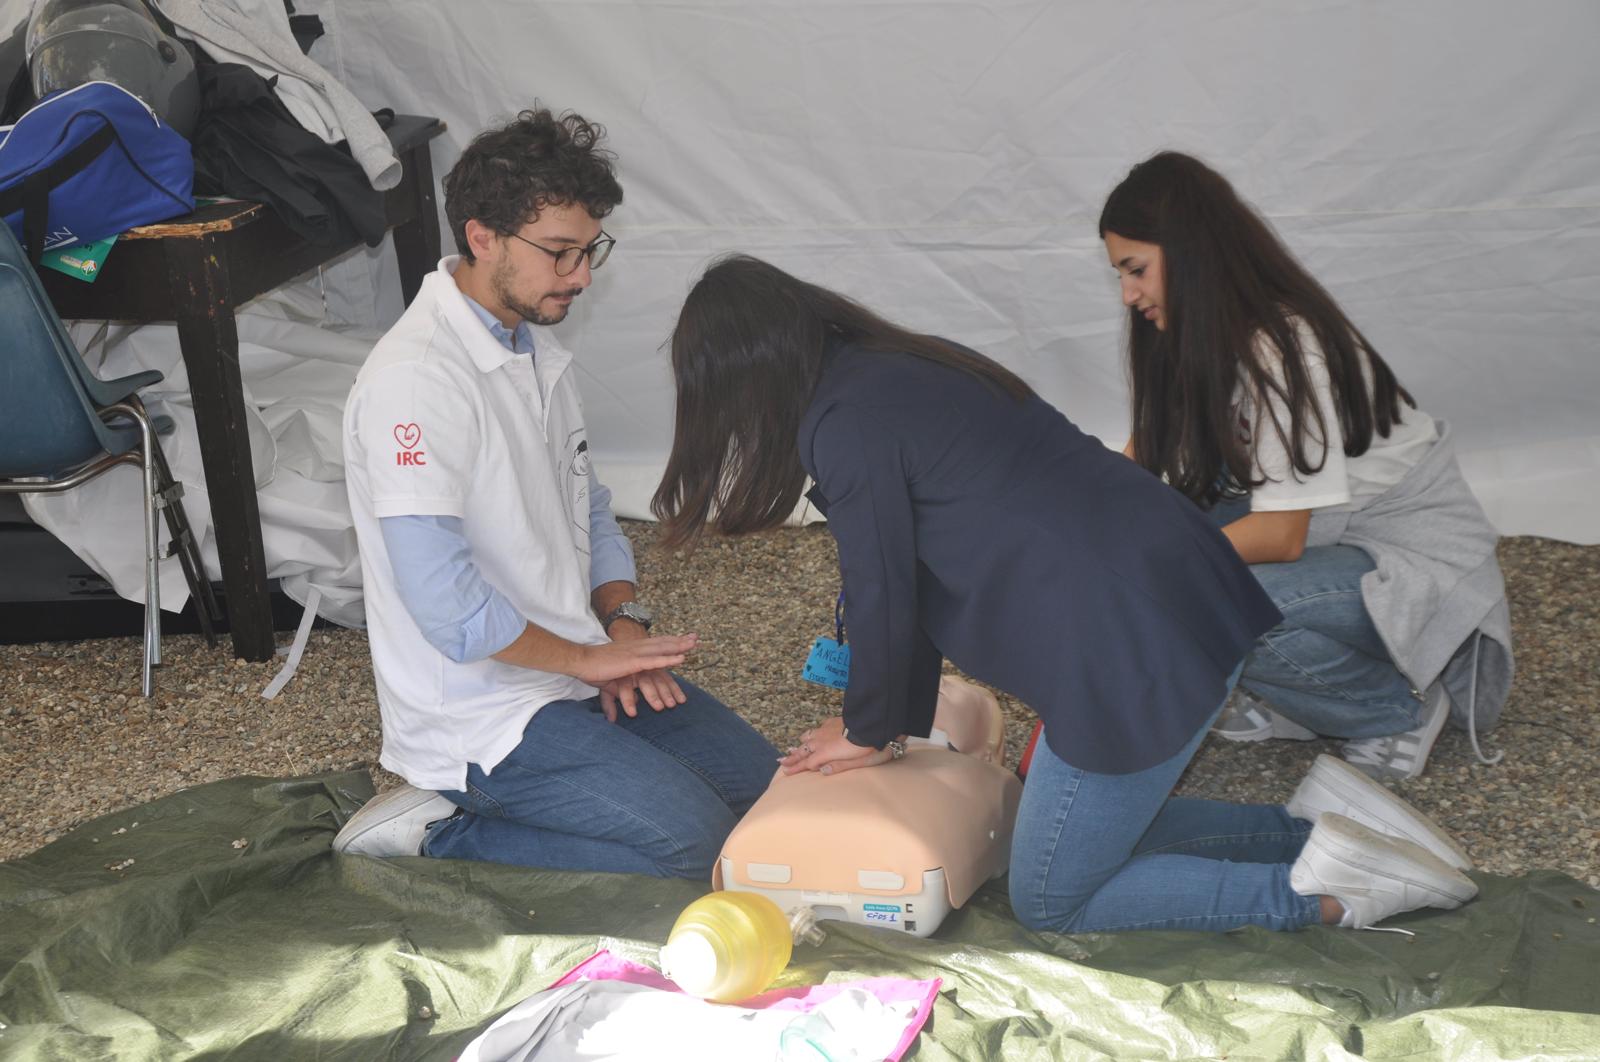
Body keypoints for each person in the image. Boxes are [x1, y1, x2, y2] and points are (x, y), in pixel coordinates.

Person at [650, 254, 1479, 934]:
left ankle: (1335, 898)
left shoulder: (844, 421)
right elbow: (911, 573)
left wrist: (869, 731)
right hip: (1172, 583)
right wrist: (888, 725)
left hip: (1124, 641)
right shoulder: (901, 364)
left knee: (1054, 896)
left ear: (742, 375)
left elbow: (884, 589)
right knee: (1062, 835)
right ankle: (1331, 834)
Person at [332, 109, 777, 879]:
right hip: (480, 713)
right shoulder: (415, 383)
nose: (582, 275)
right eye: (560, 253)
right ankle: (436, 831)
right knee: (694, 848)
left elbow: (590, 505)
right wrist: (582, 660)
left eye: (589, 249)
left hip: (573, 663)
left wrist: (623, 624)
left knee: (766, 799)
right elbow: (444, 601)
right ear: (481, 238)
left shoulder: (534, 345)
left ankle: (552, 775)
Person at [1099, 151, 1513, 781]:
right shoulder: (1195, 336)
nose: (1129, 295)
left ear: (1191, 251)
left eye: (1137, 270)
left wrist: (1150, 570)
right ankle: (1299, 692)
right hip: (1338, 534)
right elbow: (1138, 464)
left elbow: (1280, 537)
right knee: (1167, 535)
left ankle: (1394, 709)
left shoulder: (1282, 348)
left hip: (1412, 559)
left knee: (1210, 596)